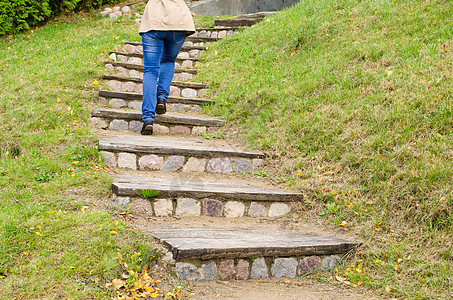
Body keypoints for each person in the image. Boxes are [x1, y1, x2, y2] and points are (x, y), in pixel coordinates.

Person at [138, 0, 196, 135]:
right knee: (168, 61)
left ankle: (148, 119)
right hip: (178, 21)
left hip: (153, 22)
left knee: (150, 71)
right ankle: (162, 98)